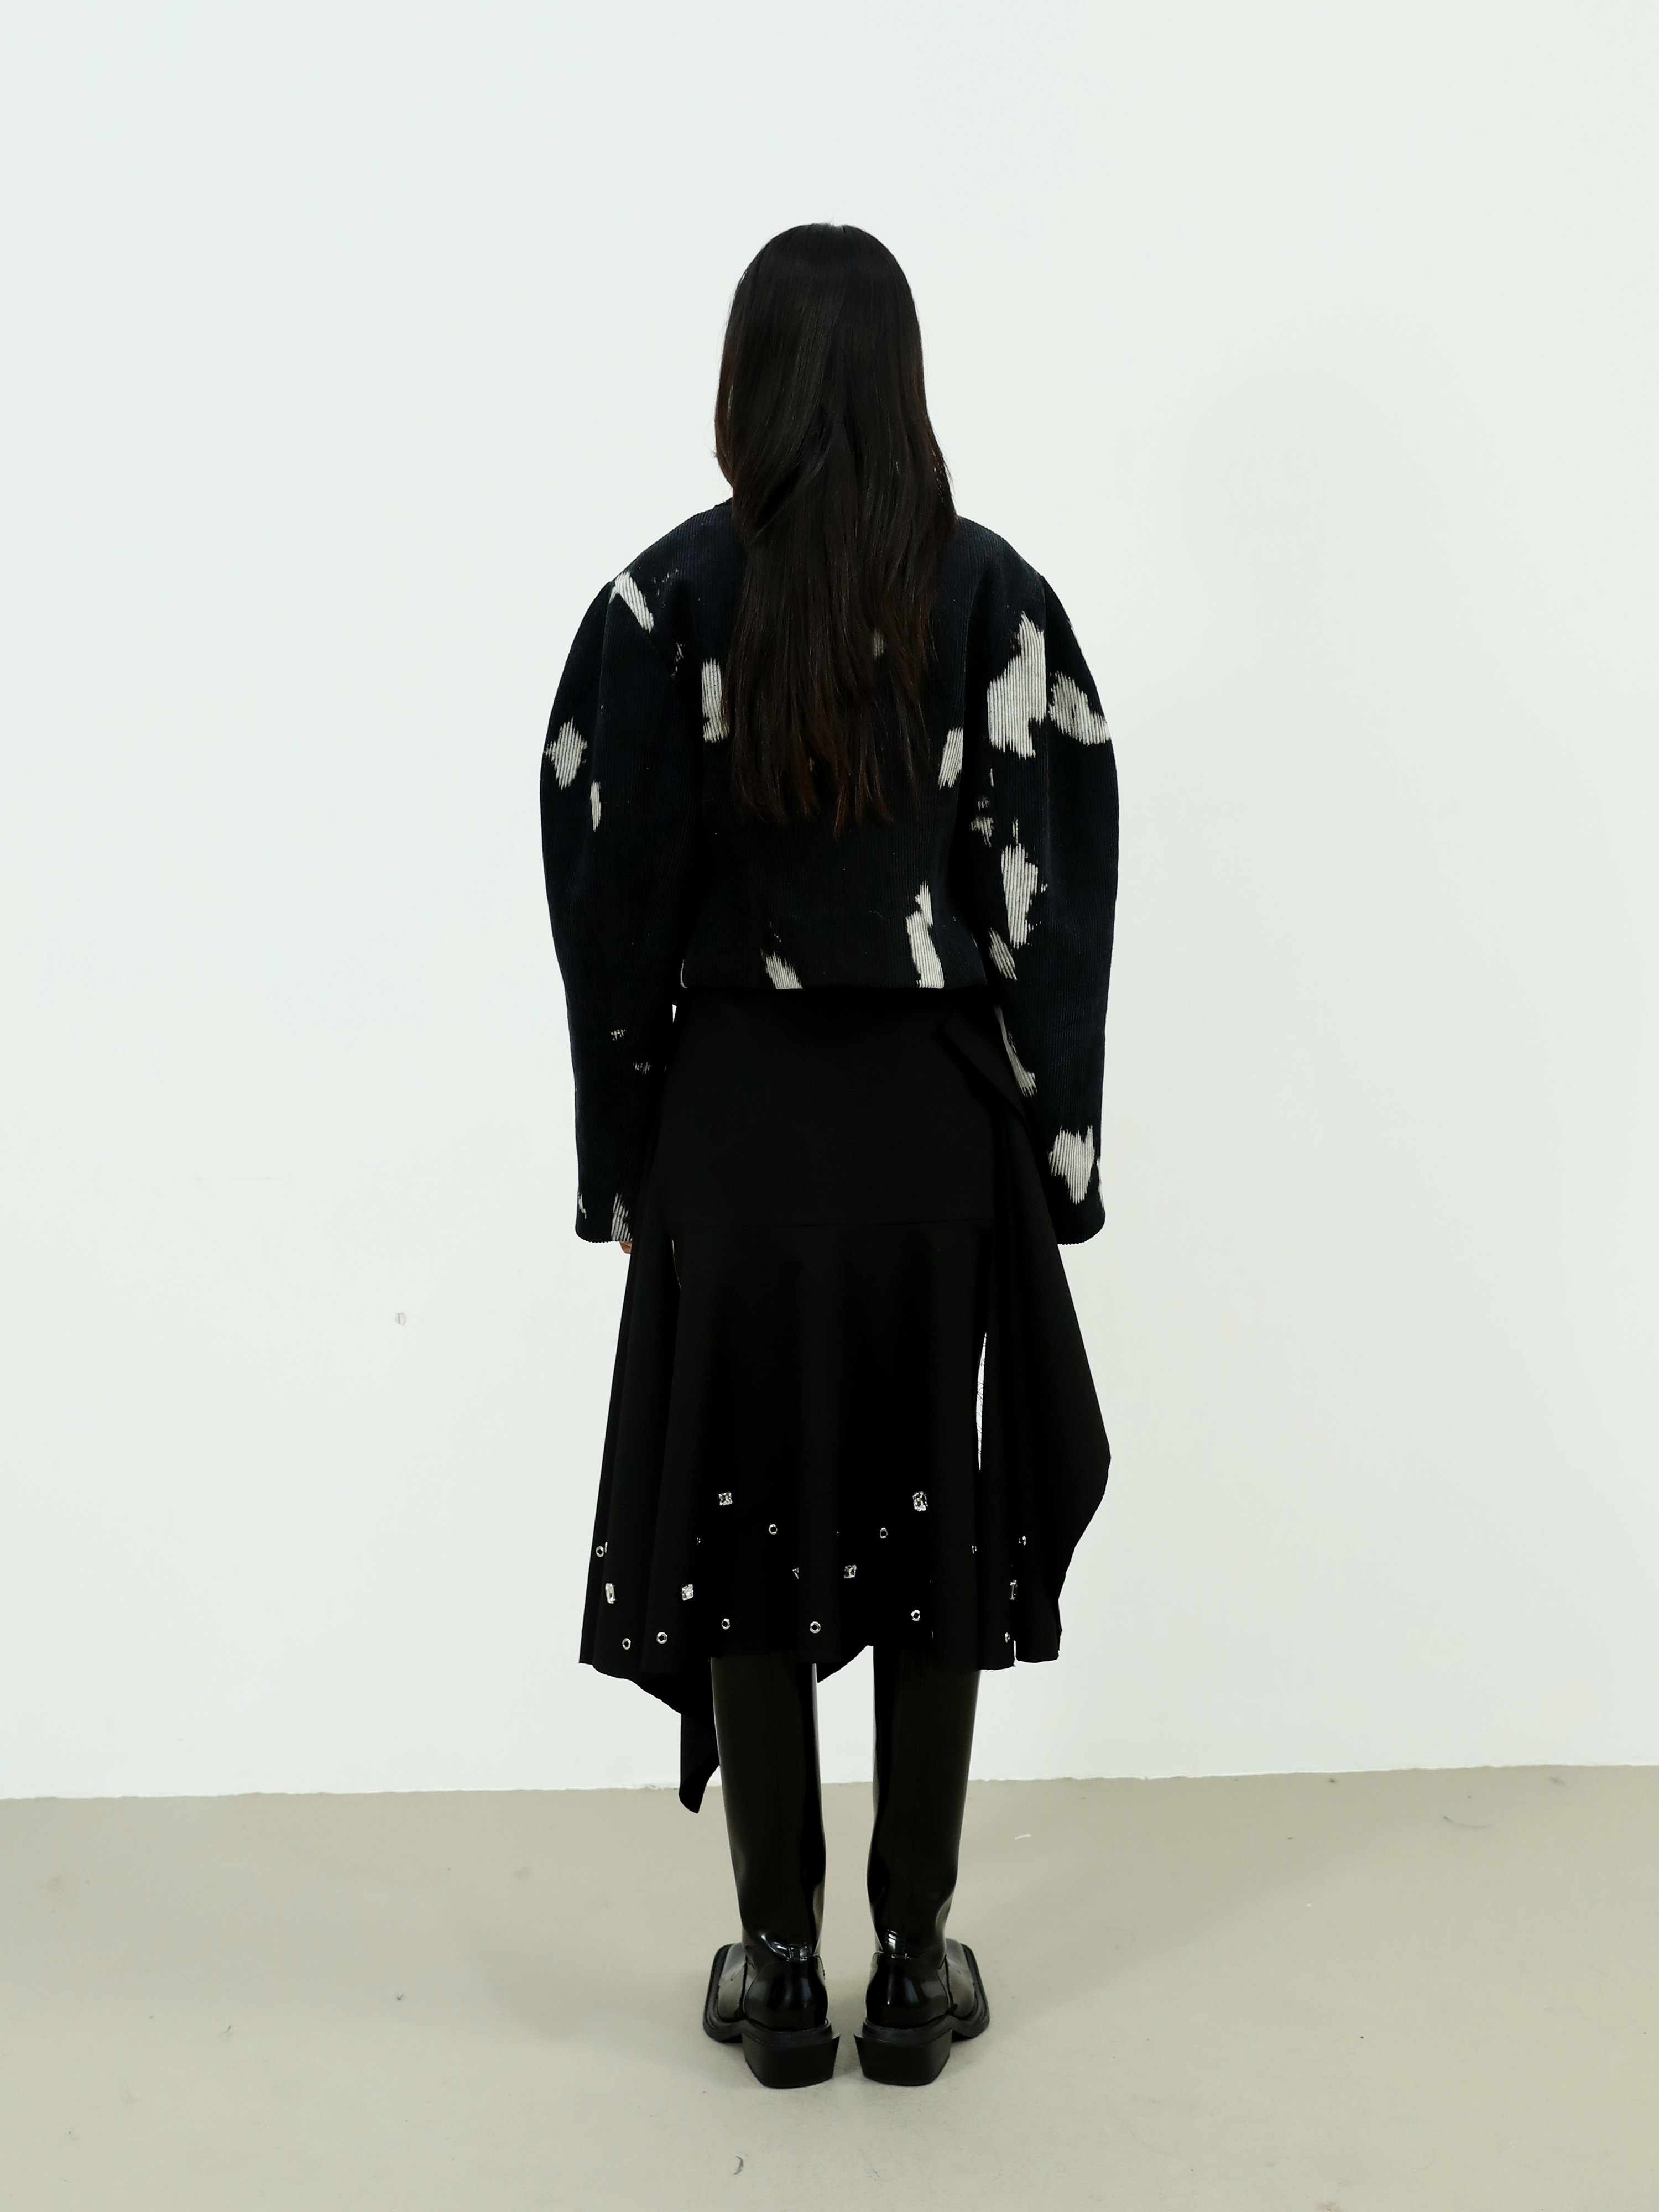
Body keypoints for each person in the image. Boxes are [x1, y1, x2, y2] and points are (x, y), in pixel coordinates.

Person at [540, 224, 1118, 2089]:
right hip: (933, 1135)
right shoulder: (993, 597)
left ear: (749, 383)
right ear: (903, 381)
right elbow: (1051, 899)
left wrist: (622, 1159)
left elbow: (611, 908)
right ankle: (916, 1966)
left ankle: (781, 1971)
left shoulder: (658, 606)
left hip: (737, 1133)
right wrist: (1060, 1152)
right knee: (935, 1518)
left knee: (743, 1529)